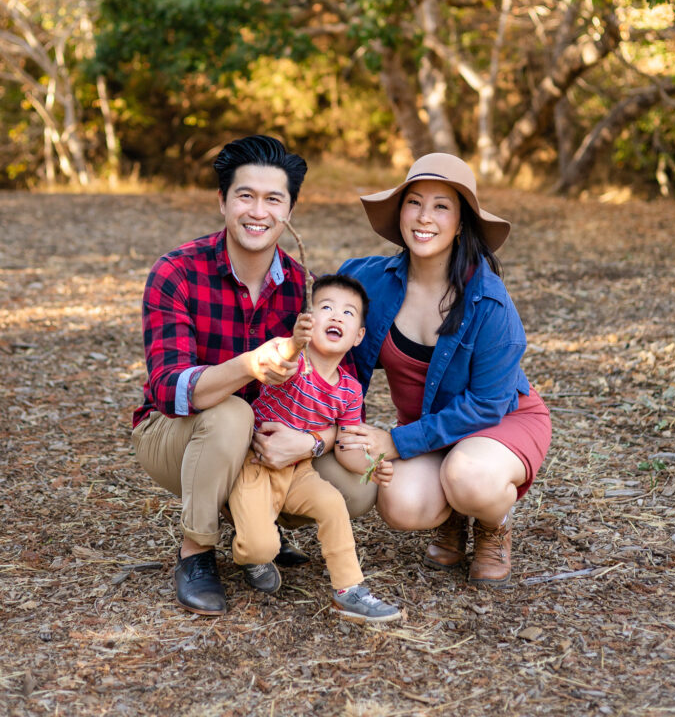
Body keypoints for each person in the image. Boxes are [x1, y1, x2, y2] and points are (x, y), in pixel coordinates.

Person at [132, 135, 376, 616]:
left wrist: (310, 445)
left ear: (288, 213)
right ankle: (196, 552)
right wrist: (247, 366)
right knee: (230, 415)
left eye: (273, 200)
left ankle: (256, 523)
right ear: (222, 201)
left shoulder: (304, 289)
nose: (257, 212)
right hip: (175, 433)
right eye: (245, 195)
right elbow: (168, 390)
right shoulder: (176, 273)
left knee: (359, 484)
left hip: (269, 444)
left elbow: (339, 392)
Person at [337, 153, 552, 586]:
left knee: (469, 476)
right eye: (414, 202)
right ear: (400, 213)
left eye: (441, 206)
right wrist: (347, 429)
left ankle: (494, 523)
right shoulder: (368, 282)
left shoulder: (488, 301)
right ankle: (451, 515)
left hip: (501, 422)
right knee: (399, 503)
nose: (424, 217)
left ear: (460, 223)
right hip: (430, 429)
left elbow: (487, 405)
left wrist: (396, 441)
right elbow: (342, 367)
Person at [229, 274, 400, 623]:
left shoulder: (350, 391)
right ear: (308, 321)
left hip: (300, 470)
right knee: (260, 547)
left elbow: (348, 445)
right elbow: (280, 357)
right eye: (326, 308)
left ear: (359, 337)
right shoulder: (295, 362)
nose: (336, 316)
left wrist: (372, 464)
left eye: (348, 313)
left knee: (332, 503)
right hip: (258, 464)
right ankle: (250, 547)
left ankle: (348, 589)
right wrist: (294, 340)